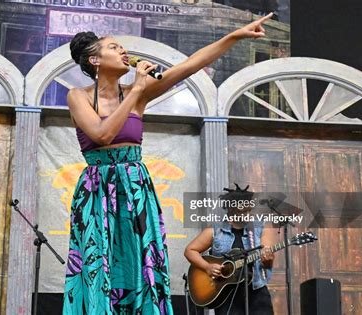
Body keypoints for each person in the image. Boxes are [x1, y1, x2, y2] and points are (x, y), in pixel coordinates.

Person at [63, 12, 274, 314]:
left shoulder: (138, 93)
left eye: (122, 47)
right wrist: (136, 89)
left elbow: (192, 64)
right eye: (113, 47)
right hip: (98, 191)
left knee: (139, 264)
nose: (123, 51)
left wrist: (235, 36)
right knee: (100, 264)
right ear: (94, 61)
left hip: (135, 188)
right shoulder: (78, 96)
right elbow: (102, 133)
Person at [184, 184, 277, 315]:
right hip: (226, 293)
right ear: (230, 209)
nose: (246, 215)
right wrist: (207, 267)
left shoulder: (260, 228)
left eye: (248, 210)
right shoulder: (215, 230)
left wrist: (268, 259)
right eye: (242, 211)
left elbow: (266, 261)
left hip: (256, 292)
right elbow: (190, 250)